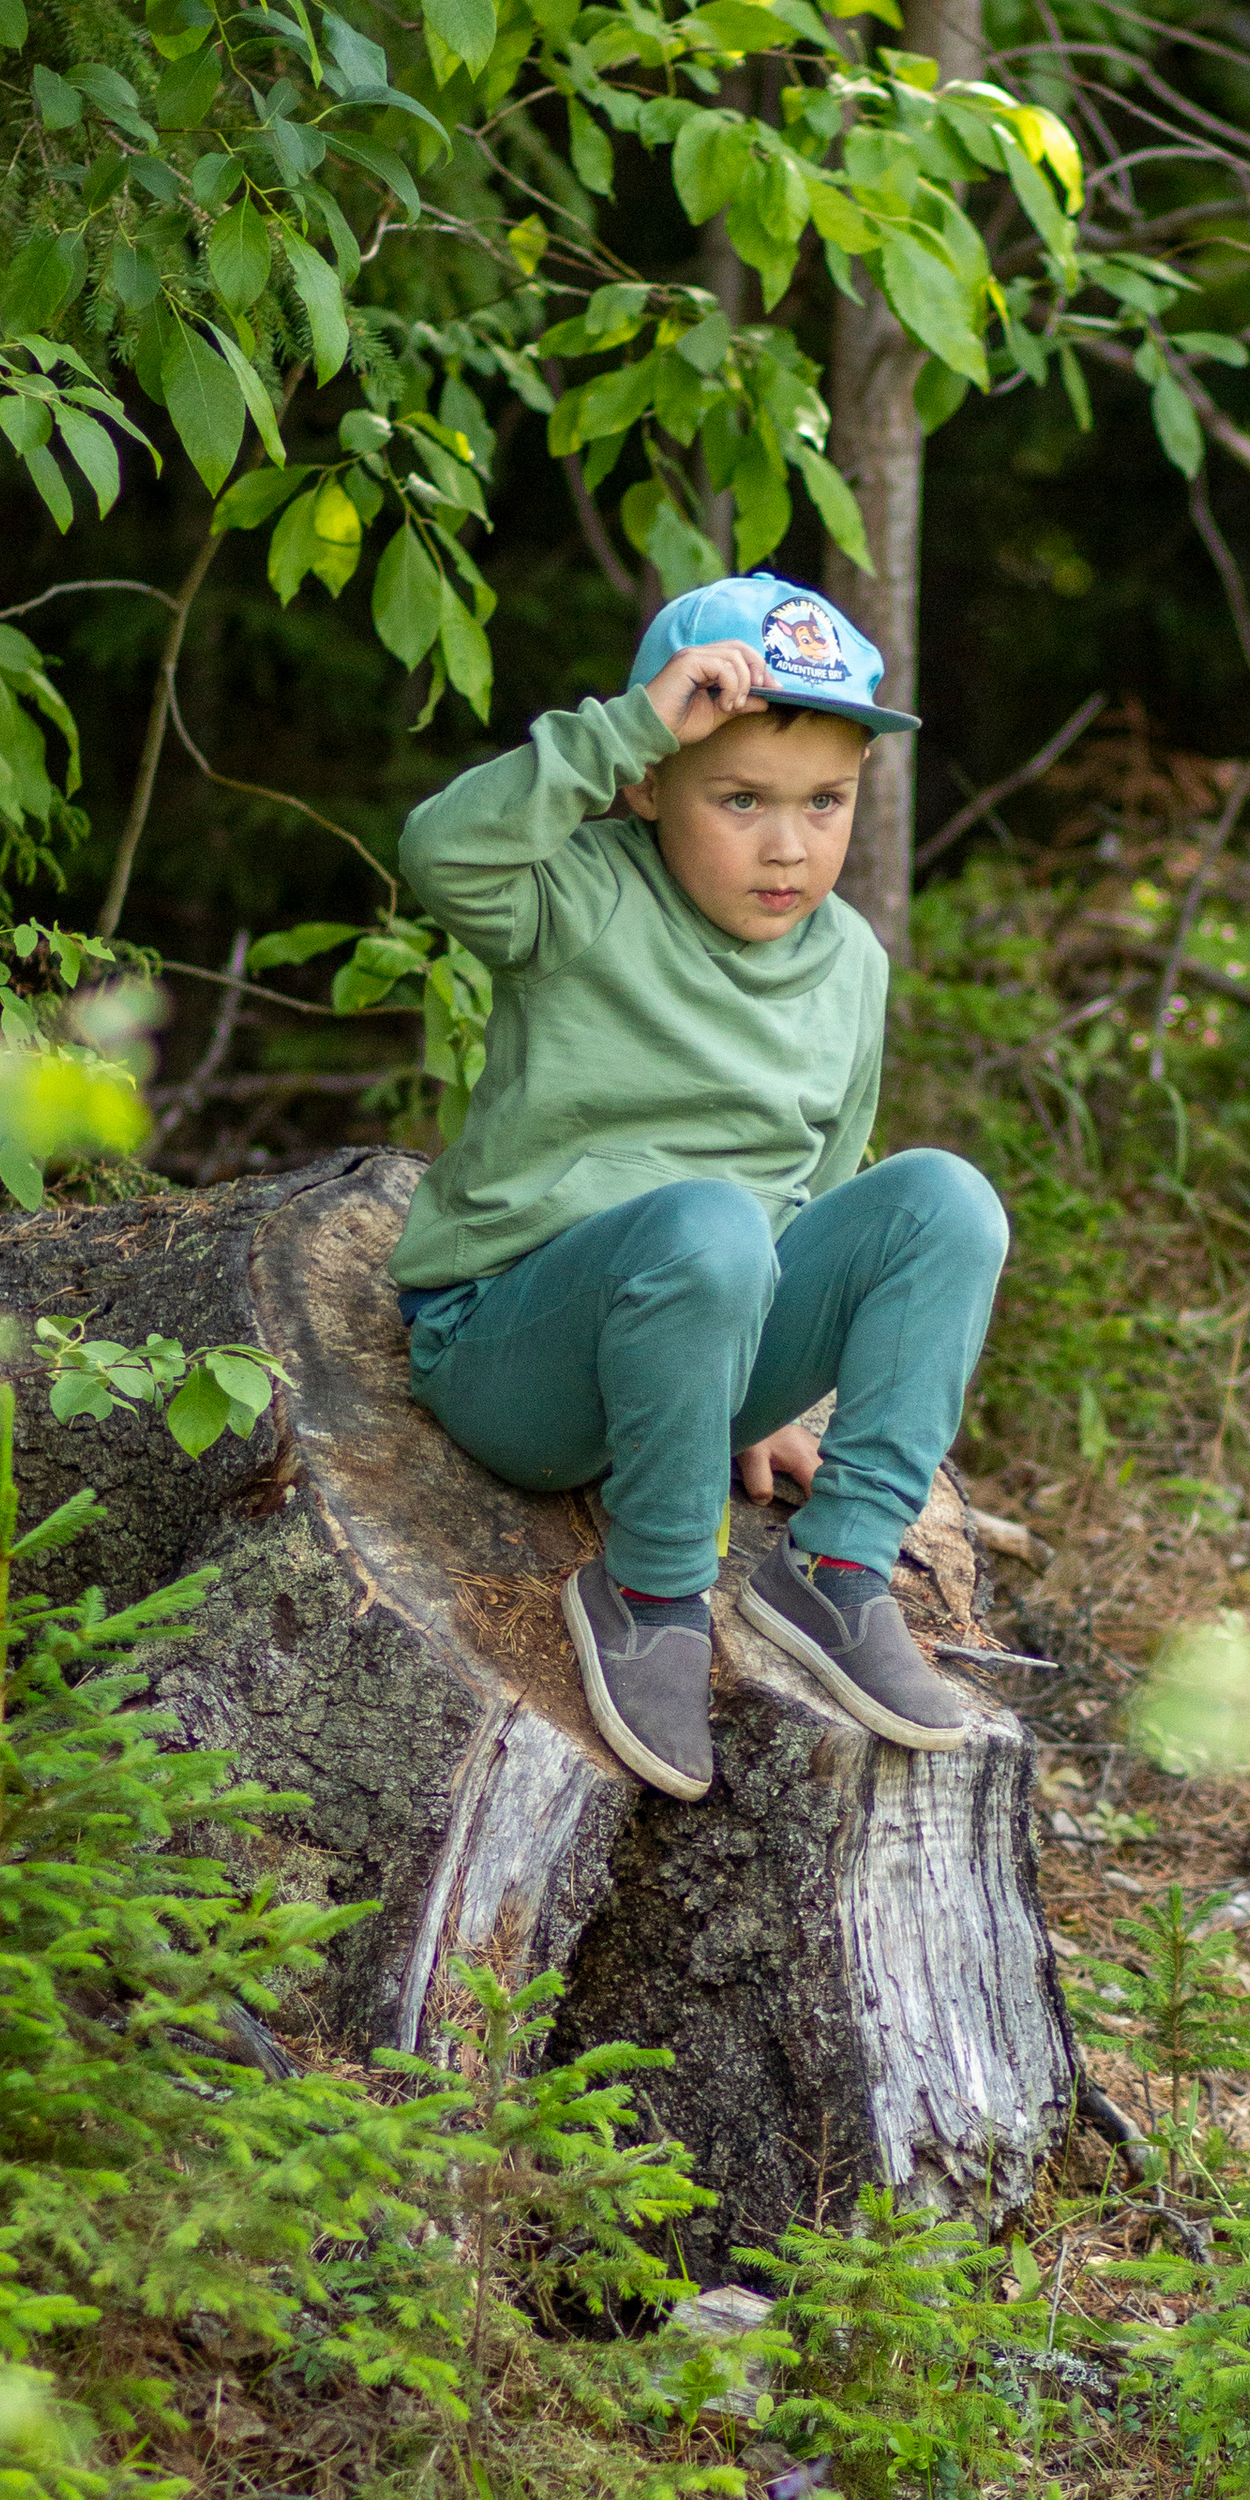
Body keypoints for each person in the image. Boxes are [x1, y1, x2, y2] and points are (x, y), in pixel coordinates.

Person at [385, 571, 1009, 1805]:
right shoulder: (579, 890)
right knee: (711, 1221)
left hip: (707, 1329)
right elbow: (439, 853)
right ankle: (651, 1588)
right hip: (521, 1352)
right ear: (650, 784)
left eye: (825, 802)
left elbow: (829, 1181)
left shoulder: (848, 963)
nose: (788, 844)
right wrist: (622, 723)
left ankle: (836, 1573)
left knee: (943, 1200)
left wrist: (771, 1387)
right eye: (740, 798)